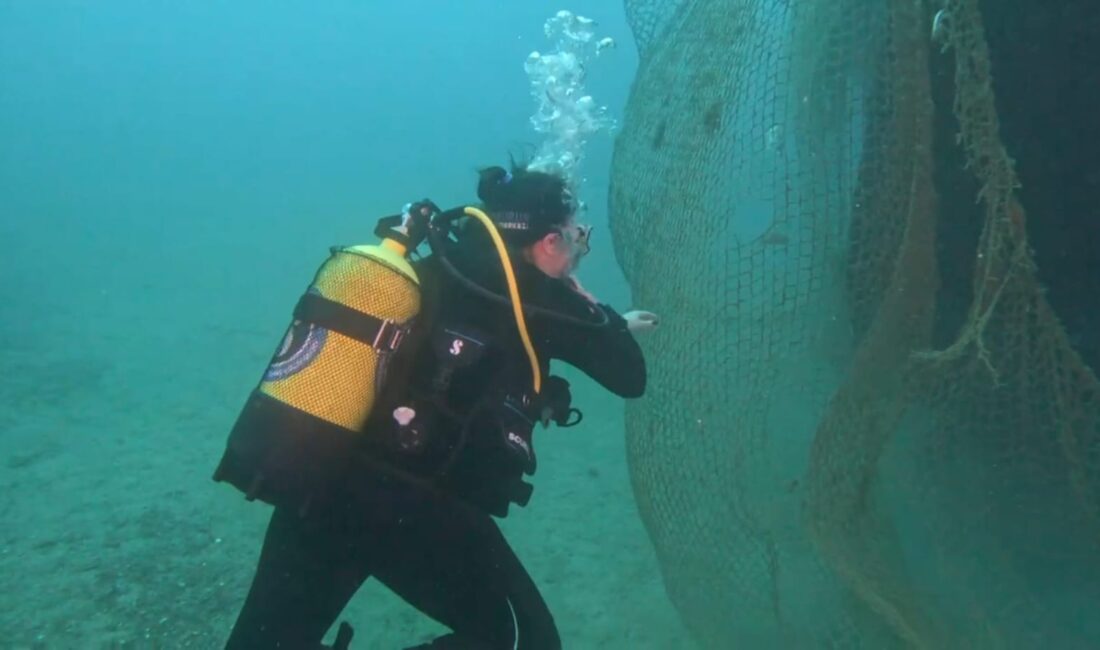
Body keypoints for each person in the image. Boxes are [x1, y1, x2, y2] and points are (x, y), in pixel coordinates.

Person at [213, 161, 658, 649]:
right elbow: (629, 376)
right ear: (549, 241)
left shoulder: (433, 267)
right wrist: (596, 311)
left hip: (324, 481)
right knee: (515, 640)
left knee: (262, 642)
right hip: (415, 508)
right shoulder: (542, 298)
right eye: (578, 239)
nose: (577, 256)